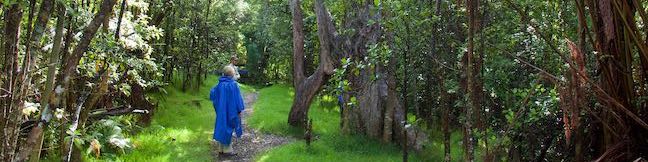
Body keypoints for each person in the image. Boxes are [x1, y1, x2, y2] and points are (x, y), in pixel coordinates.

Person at [210, 65, 245, 156]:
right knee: (229, 127)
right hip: (231, 110)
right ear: (232, 74)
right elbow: (238, 98)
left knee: (223, 126)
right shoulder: (233, 85)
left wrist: (218, 105)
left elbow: (212, 94)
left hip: (221, 110)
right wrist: (240, 109)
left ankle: (220, 149)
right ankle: (227, 150)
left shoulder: (219, 84)